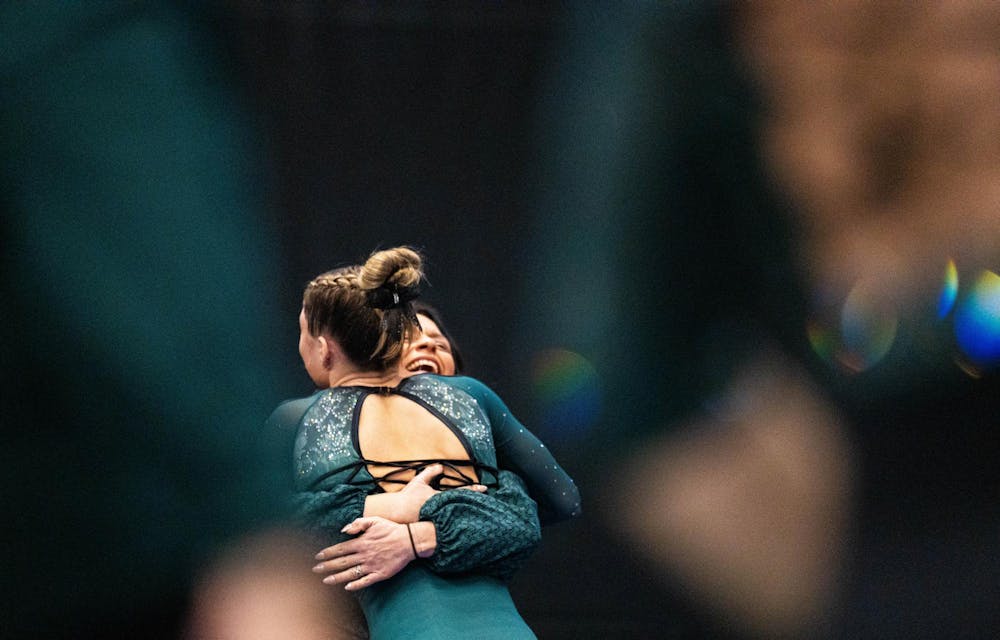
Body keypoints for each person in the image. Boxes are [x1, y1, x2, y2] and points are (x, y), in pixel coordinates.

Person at [268, 246, 579, 639]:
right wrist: (456, 511)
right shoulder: (468, 397)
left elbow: (253, 528)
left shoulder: (298, 418)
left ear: (323, 347)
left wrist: (404, 524)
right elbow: (557, 500)